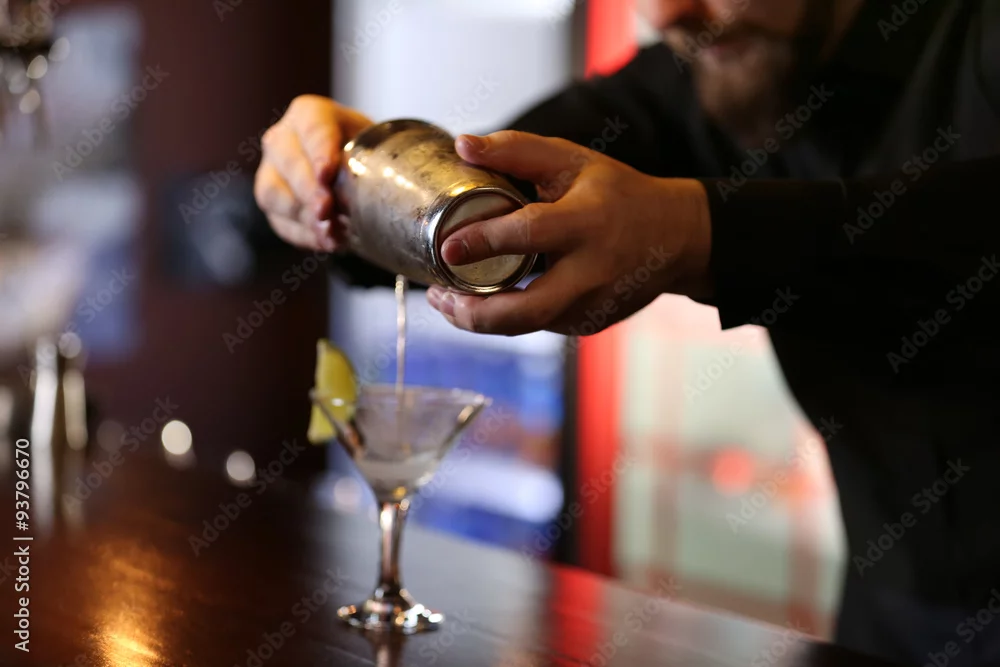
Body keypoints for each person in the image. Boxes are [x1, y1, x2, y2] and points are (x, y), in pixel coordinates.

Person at [254, 0, 1000, 664]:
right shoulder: (699, 77)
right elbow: (487, 201)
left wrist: (696, 229)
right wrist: (343, 176)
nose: (667, 14)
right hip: (879, 617)